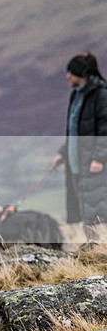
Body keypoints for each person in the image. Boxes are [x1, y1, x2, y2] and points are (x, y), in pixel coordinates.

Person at [52, 52, 107, 242]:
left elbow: (105, 129)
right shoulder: (76, 95)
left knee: (95, 212)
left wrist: (99, 157)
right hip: (77, 165)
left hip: (94, 165)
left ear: (80, 73)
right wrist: (63, 153)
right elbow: (74, 130)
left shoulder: (101, 95)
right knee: (85, 212)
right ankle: (93, 250)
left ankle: (99, 251)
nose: (67, 76)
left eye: (70, 72)